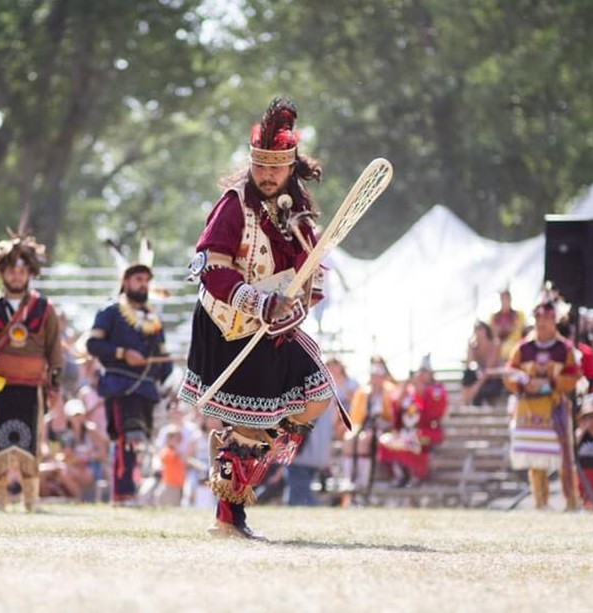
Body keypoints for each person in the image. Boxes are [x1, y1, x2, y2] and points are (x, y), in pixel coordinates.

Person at [178, 97, 340, 539]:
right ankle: (228, 521)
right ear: (251, 163)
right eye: (261, 166)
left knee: (319, 396)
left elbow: (314, 280)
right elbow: (211, 271)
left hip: (276, 332)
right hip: (228, 328)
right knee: (250, 423)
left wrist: (295, 309)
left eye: (276, 167)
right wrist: (259, 304)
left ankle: (240, 452)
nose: (267, 175)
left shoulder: (298, 213)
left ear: (291, 167)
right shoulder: (233, 206)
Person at [0, 233, 63, 512]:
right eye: (11, 270)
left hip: (31, 386)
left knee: (30, 443)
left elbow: (55, 350)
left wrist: (54, 385)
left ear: (30, 272)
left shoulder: (44, 309)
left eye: (22, 270)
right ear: (1, 272)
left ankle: (32, 500)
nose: (17, 276)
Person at [85, 263, 173, 506]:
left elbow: (164, 359)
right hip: (119, 385)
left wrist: (164, 377)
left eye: (146, 280)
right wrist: (124, 353)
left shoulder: (153, 318)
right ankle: (122, 495)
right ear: (125, 282)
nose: (143, 284)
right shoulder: (110, 311)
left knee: (139, 441)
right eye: (138, 279)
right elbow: (93, 346)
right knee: (127, 438)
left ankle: (131, 492)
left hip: (146, 389)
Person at [503, 299, 579, 510]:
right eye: (538, 318)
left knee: (564, 455)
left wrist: (552, 382)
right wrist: (523, 382)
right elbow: (509, 372)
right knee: (535, 455)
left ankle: (570, 502)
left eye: (547, 318)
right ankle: (540, 502)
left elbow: (573, 375)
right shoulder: (523, 347)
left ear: (554, 320)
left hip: (554, 406)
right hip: (529, 407)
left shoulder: (564, 348)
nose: (542, 323)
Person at [377, 355, 447, 487]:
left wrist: (421, 392)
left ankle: (416, 474)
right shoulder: (409, 391)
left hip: (427, 431)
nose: (421, 375)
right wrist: (405, 389)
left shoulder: (437, 390)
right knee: (388, 441)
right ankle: (400, 475)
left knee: (411, 441)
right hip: (406, 430)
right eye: (419, 371)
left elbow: (433, 413)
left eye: (424, 371)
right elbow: (396, 409)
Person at [342, 360, 396, 497]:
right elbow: (356, 416)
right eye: (373, 376)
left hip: (384, 426)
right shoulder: (363, 393)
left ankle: (362, 481)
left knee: (365, 439)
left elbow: (392, 415)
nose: (376, 380)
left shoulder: (390, 391)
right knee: (349, 438)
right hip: (364, 425)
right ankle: (349, 479)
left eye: (378, 377)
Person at [461, 320, 504, 406]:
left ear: (486, 330)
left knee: (481, 392)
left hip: (494, 378)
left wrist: (475, 387)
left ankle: (469, 399)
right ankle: (465, 402)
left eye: (480, 329)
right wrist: (470, 348)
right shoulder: (474, 346)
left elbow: (489, 368)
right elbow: (468, 365)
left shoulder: (495, 343)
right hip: (481, 377)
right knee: (467, 374)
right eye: (476, 329)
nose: (478, 332)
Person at [491, 289, 526, 362]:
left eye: (506, 298)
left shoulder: (518, 315)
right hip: (499, 344)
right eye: (503, 299)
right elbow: (493, 332)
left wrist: (509, 329)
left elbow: (518, 330)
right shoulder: (495, 316)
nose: (505, 301)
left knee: (508, 348)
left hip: (513, 343)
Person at [155, 425, 186, 506]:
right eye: (172, 438)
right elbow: (170, 457)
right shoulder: (166, 451)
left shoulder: (178, 451)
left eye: (177, 438)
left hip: (178, 485)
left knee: (176, 505)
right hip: (169, 484)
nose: (175, 440)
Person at [575, 393, 593, 511]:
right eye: (588, 417)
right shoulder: (580, 435)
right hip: (584, 480)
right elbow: (571, 450)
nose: (592, 420)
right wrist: (582, 431)